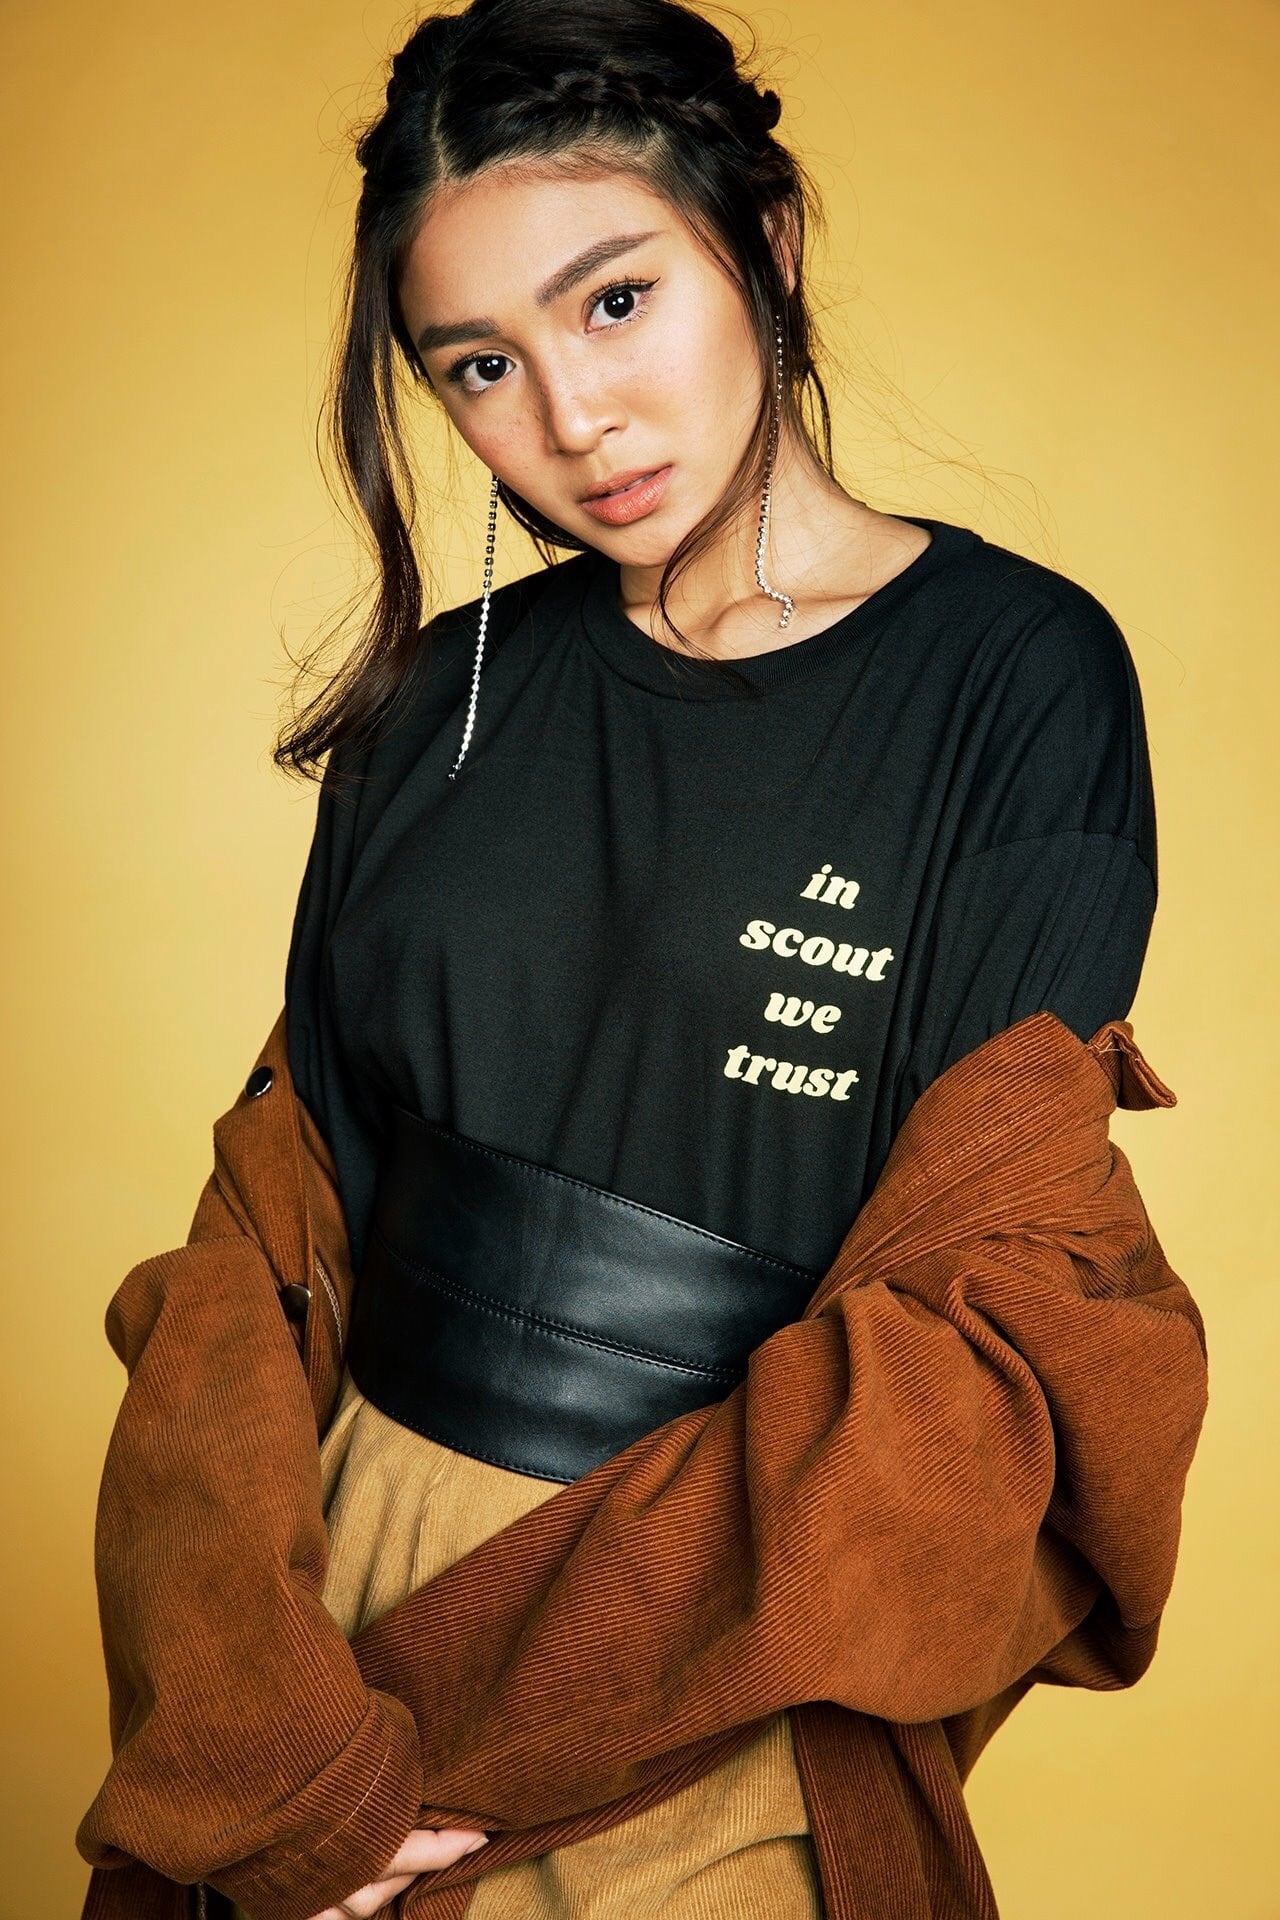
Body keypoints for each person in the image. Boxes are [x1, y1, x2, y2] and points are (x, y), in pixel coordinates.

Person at [216, 0, 1157, 1913]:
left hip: (715, 1667)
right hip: (333, 1638)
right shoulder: (440, 701)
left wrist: (458, 1735)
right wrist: (260, 1732)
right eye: (482, 364)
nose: (572, 418)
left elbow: (983, 1332)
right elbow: (263, 1255)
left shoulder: (1014, 678)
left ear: (767, 246)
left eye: (617, 301)